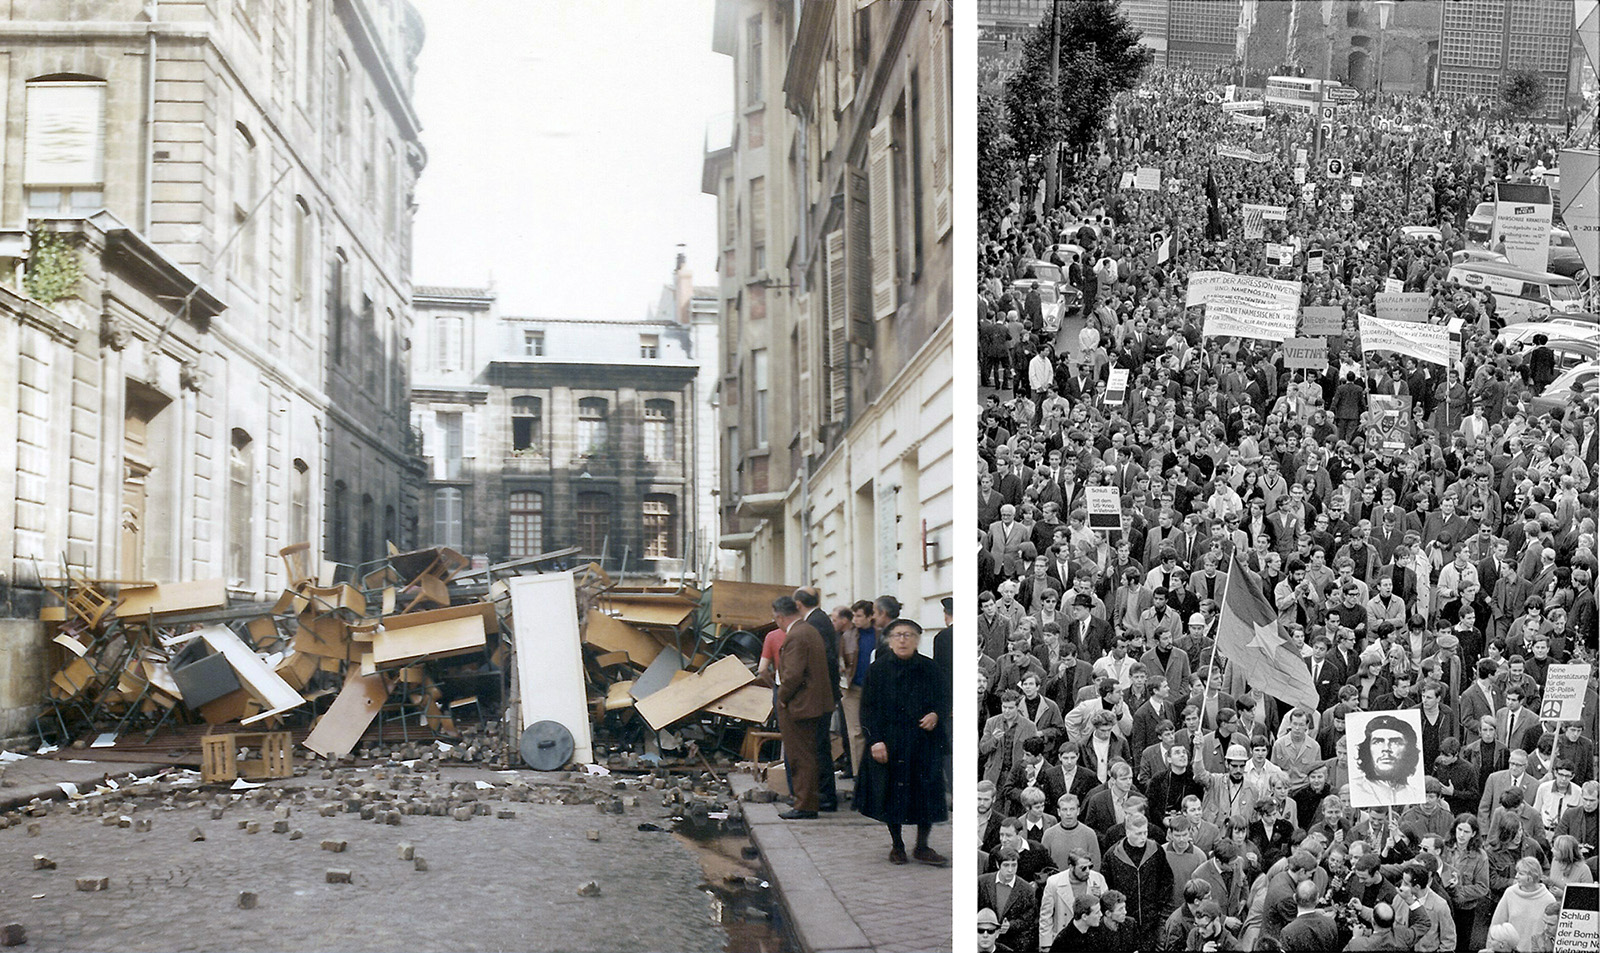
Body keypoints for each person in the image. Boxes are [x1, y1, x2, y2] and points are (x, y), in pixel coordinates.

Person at [854, 616, 948, 865]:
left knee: (926, 793)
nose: (903, 640)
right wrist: (875, 740)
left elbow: (944, 697)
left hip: (923, 742)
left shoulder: (930, 668)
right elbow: (868, 709)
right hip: (891, 742)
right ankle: (897, 845)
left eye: (908, 635)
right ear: (890, 640)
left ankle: (922, 846)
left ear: (917, 640)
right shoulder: (878, 670)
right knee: (892, 794)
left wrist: (935, 714)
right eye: (898, 635)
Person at [762, 596, 832, 820]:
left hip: (800, 706)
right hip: (812, 703)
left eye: (776, 618)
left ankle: (804, 805)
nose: (776, 623)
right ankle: (807, 802)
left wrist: (781, 698)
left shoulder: (796, 635)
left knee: (800, 756)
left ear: (780, 616)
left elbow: (791, 675)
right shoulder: (808, 630)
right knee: (809, 754)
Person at [1350, 714, 1426, 808]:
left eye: (1395, 742)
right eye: (1378, 742)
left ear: (1408, 750)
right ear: (1367, 749)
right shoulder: (1355, 790)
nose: (1386, 748)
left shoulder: (1416, 796)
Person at [1489, 857, 1555, 952]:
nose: (1516, 876)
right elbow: (1496, 924)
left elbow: (1551, 932)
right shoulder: (1510, 893)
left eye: (1521, 873)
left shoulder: (1548, 899)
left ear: (1531, 877)